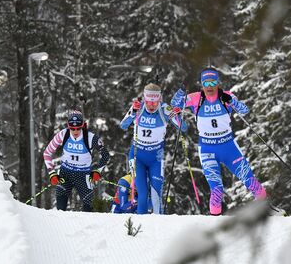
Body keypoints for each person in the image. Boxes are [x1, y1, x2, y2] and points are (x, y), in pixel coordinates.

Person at [170, 68, 267, 216]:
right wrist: (183, 88)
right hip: (207, 149)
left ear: (218, 82)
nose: (210, 86)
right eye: (206, 82)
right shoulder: (197, 98)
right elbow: (174, 104)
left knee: (249, 180)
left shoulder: (225, 96)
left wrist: (233, 102)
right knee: (216, 189)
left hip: (228, 147)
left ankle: (267, 210)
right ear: (202, 84)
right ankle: (215, 220)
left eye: (213, 82)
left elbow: (245, 110)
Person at [119, 83, 186, 215]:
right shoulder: (138, 108)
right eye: (149, 102)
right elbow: (123, 125)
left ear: (159, 100)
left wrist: (178, 116)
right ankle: (140, 228)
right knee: (142, 193)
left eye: (155, 102)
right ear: (145, 99)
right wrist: (132, 112)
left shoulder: (164, 109)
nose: (151, 106)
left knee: (156, 195)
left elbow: (183, 128)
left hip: (156, 157)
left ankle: (158, 227)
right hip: (137, 155)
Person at [43, 109, 110, 211]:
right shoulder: (63, 134)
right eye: (72, 128)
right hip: (65, 174)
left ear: (82, 125)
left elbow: (105, 155)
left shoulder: (91, 138)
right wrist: (52, 173)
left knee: (89, 208)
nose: (75, 131)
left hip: (83, 175)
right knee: (60, 208)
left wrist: (97, 171)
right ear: (68, 126)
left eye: (78, 128)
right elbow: (47, 153)